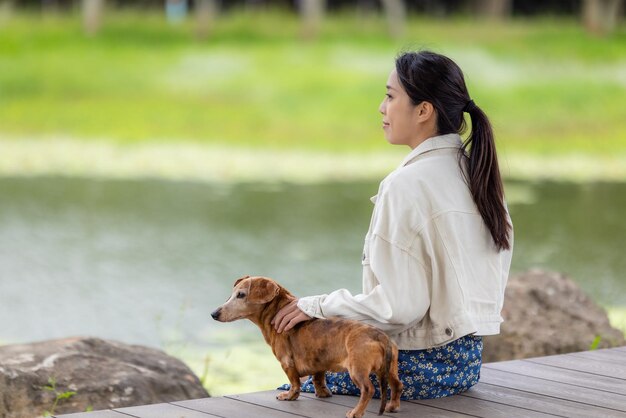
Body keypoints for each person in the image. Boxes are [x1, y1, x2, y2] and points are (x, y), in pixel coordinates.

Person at [272, 50, 513, 400]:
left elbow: (398, 309)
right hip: (465, 366)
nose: (382, 108)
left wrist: (317, 305)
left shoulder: (406, 185)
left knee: (297, 385)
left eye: (389, 96)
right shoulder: (478, 175)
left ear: (423, 110)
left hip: (414, 366)